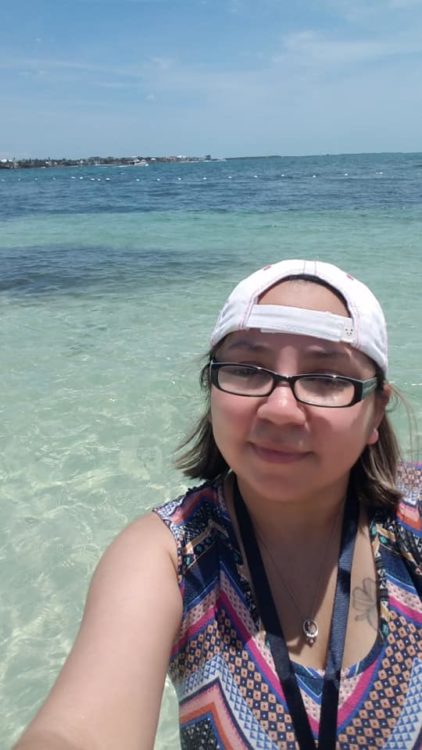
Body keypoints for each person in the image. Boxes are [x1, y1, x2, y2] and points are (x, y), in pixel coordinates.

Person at [15, 259, 421, 750]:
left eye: (327, 377)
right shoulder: (170, 556)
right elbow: (74, 733)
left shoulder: (411, 524)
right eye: (247, 370)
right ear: (211, 388)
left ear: (376, 409)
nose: (280, 408)